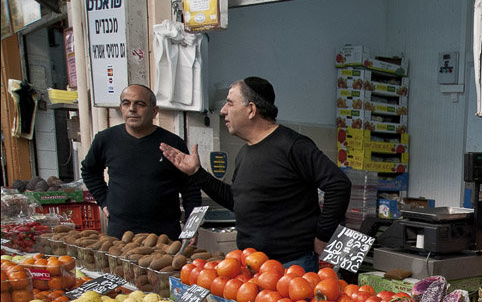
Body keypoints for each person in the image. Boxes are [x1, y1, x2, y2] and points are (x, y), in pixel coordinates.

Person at [160, 77, 350, 270]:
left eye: (229, 103)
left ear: (251, 110)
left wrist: (323, 235)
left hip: (291, 268)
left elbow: (338, 184)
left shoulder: (292, 145)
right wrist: (197, 173)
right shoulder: (244, 153)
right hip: (251, 265)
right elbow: (236, 201)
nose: (223, 111)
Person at [80, 84, 200, 239]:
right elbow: (89, 171)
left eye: (140, 104)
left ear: (154, 111)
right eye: (126, 103)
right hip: (120, 234)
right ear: (121, 108)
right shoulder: (105, 139)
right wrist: (104, 201)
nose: (132, 109)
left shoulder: (172, 144)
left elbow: (190, 188)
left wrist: (192, 228)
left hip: (165, 236)